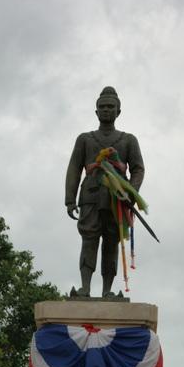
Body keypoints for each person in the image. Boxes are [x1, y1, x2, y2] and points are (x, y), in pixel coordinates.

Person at [65, 86, 145, 297]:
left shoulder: (128, 140)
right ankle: (85, 287)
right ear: (96, 111)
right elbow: (74, 168)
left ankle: (107, 290)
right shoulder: (85, 139)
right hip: (90, 195)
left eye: (111, 107)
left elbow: (138, 169)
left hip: (115, 198)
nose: (106, 110)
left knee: (111, 241)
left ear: (119, 111)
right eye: (102, 107)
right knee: (89, 239)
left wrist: (131, 193)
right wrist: (69, 200)